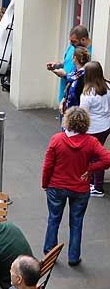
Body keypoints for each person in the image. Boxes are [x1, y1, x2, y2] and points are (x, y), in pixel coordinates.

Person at [42, 106, 110, 266]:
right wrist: (90, 169)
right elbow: (107, 159)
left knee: (53, 219)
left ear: (67, 121)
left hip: (57, 186)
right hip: (80, 189)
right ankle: (73, 257)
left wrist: (45, 184)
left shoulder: (57, 139)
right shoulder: (91, 142)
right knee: (76, 222)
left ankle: (49, 253)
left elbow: (48, 166)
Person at [80, 61, 110, 197]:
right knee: (97, 155)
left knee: (95, 158)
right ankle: (93, 183)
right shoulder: (108, 87)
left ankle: (97, 187)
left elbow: (83, 114)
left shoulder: (87, 94)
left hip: (92, 129)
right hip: (106, 126)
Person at [46, 25, 92, 103]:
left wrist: (65, 75)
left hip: (75, 99)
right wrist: (56, 65)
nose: (71, 43)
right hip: (64, 95)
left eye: (74, 41)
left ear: (83, 39)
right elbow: (66, 61)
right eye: (70, 41)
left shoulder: (90, 52)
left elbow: (85, 76)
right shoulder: (72, 47)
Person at [53, 46, 90, 115]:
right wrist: (64, 100)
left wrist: (65, 75)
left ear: (74, 58)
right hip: (69, 109)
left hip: (77, 112)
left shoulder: (84, 76)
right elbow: (69, 85)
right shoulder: (74, 72)